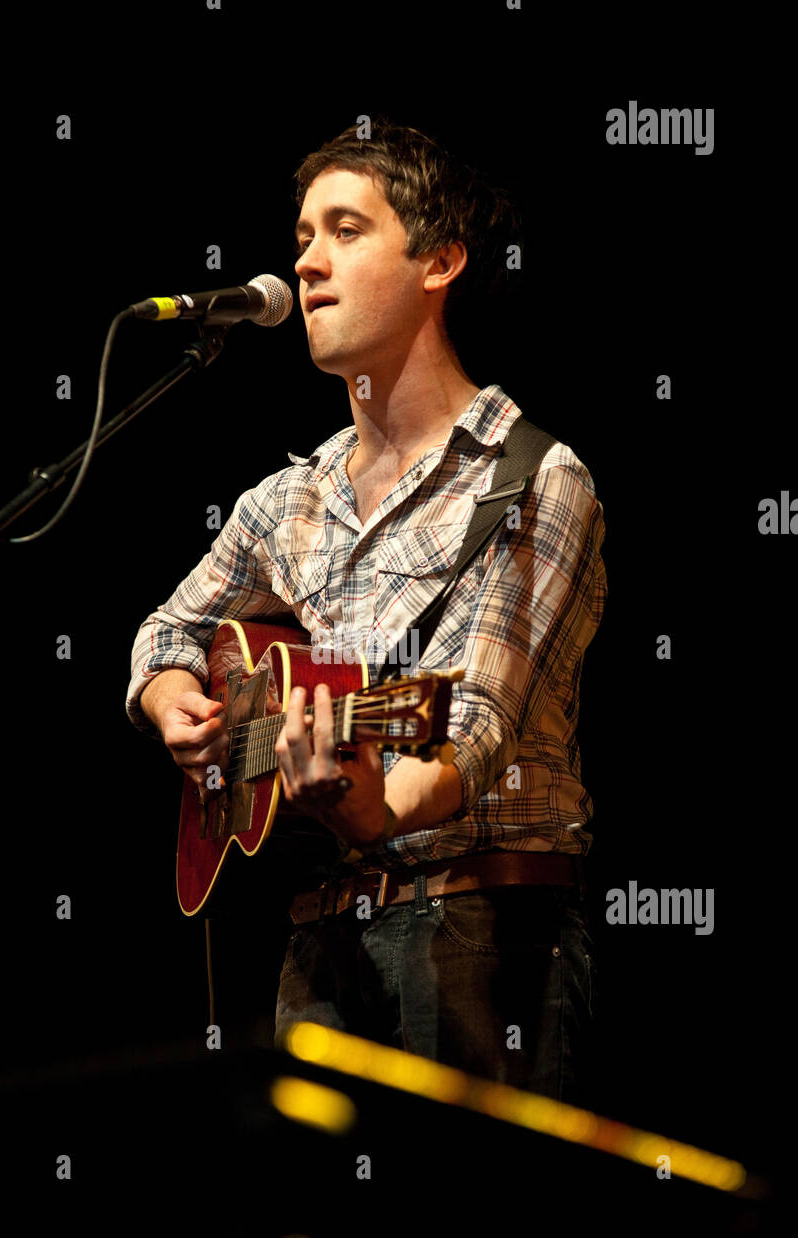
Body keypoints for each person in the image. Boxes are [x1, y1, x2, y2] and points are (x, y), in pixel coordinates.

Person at [126, 120, 606, 1102]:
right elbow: (165, 634)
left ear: (439, 260)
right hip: (315, 936)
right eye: (301, 234)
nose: (304, 261)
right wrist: (172, 698)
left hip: (482, 933)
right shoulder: (283, 501)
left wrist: (373, 803)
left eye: (344, 230)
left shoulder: (530, 481)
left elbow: (471, 729)